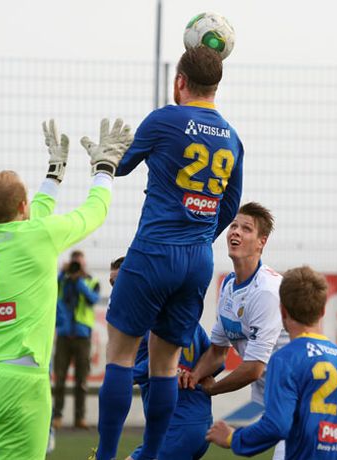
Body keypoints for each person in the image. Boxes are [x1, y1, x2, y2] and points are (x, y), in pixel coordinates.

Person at [94, 45, 244, 460]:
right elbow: (231, 204)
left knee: (120, 355)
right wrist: (200, 235)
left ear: (180, 82)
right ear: (216, 86)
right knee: (165, 364)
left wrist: (102, 161)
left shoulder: (164, 120)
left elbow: (121, 164)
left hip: (154, 251)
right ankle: (154, 456)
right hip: (197, 260)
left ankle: (106, 456)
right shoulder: (232, 137)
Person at [0, 118, 133, 460]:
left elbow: (30, 216)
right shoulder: (38, 236)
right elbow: (93, 212)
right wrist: (104, 168)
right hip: (20, 384)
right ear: (22, 206)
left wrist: (54, 175)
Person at [206, 266, 337, 458]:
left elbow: (277, 426)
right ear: (323, 310)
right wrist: (336, 437)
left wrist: (233, 438)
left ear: (282, 311)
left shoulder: (286, 359)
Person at [179, 202, 288, 460]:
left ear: (262, 242)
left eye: (246, 229)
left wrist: (212, 389)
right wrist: (193, 376)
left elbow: (253, 368)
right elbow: (218, 350)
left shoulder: (266, 291)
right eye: (234, 226)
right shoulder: (229, 284)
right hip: (281, 405)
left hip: (303, 402)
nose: (235, 232)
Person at [109, 256, 221, 460]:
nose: (115, 290)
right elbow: (215, 359)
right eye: (112, 284)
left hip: (176, 427)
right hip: (198, 422)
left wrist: (120, 375)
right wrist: (197, 374)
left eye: (119, 283)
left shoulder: (149, 319)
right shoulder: (183, 316)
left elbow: (159, 361)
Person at [52, 249, 101, 430]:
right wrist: (62, 272)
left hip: (82, 337)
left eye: (78, 264)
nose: (75, 267)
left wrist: (79, 280)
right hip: (63, 335)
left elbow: (92, 299)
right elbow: (51, 289)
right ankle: (57, 416)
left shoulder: (91, 281)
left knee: (81, 380)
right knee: (59, 379)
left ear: (84, 264)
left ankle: (80, 417)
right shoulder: (62, 280)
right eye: (74, 264)